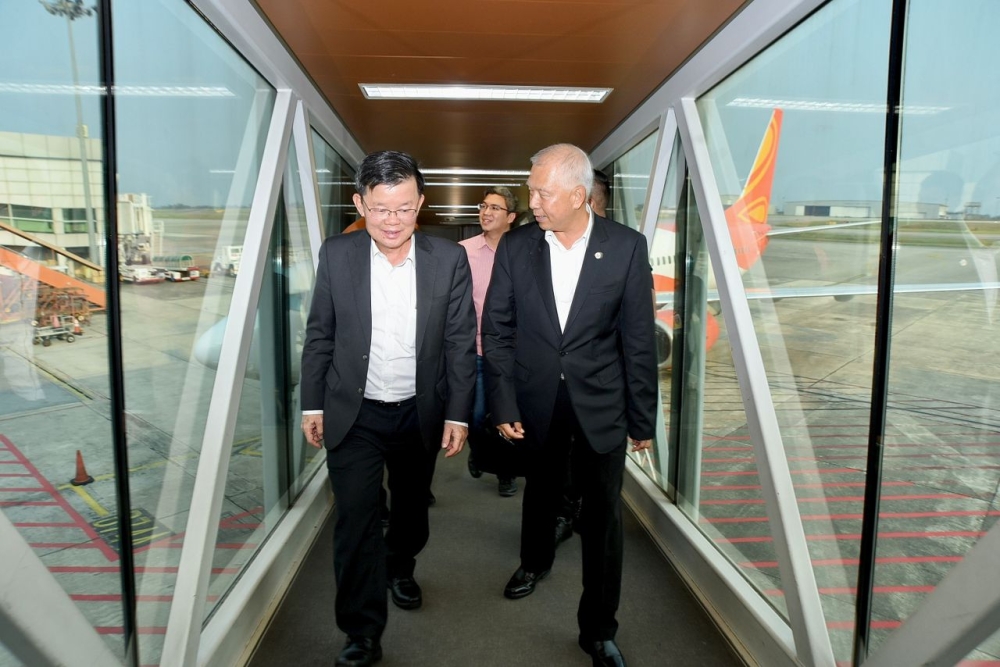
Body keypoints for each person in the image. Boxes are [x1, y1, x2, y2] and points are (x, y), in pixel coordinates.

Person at [482, 144, 657, 667]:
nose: (531, 200)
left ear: (578, 195)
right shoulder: (517, 248)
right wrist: (503, 401)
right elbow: (498, 329)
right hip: (536, 399)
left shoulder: (626, 248)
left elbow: (638, 339)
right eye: (531, 190)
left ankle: (599, 628)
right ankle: (533, 562)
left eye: (542, 192)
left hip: (601, 402)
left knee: (603, 519)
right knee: (541, 490)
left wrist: (641, 418)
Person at [300, 150, 477, 667]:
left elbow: (461, 342)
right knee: (354, 521)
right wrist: (313, 403)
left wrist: (458, 413)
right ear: (360, 203)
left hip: (419, 411)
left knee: (412, 508)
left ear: (420, 203)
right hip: (353, 413)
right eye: (380, 209)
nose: (393, 221)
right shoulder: (337, 254)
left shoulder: (449, 260)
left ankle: (401, 565)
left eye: (404, 209)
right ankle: (361, 632)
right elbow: (320, 336)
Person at [555, 166, 614, 546]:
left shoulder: (624, 247)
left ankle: (582, 515)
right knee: (558, 464)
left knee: (597, 476)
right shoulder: (546, 244)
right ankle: (562, 513)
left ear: (587, 200)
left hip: (602, 392)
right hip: (553, 388)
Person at [461, 186, 519, 497]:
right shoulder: (463, 251)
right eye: (483, 206)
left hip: (514, 353)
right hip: (476, 351)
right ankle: (479, 450)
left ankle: (505, 473)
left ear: (510, 216)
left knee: (507, 416)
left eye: (495, 208)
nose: (486, 212)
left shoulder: (525, 252)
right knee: (475, 413)